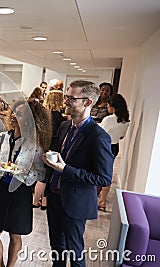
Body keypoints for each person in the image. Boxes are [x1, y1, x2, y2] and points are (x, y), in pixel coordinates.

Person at [42, 80, 114, 267]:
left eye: (71, 99)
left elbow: (103, 177)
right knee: (57, 248)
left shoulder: (98, 136)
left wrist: (65, 169)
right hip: (55, 196)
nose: (65, 102)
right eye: (66, 97)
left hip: (76, 201)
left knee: (74, 252)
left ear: (88, 102)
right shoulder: (65, 127)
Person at [0, 100, 51, 267]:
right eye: (13, 112)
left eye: (19, 114)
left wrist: (22, 172)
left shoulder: (35, 145)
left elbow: (41, 172)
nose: (13, 116)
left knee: (15, 235)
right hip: (1, 189)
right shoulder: (2, 138)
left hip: (21, 192)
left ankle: (10, 266)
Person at [33, 90, 66, 209]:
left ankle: (41, 200)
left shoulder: (46, 114)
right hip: (51, 149)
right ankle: (36, 200)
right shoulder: (57, 117)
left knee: (44, 175)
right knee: (45, 176)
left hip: (45, 146)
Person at [97, 94, 130, 211]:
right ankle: (101, 199)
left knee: (99, 172)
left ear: (113, 106)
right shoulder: (125, 120)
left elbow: (99, 134)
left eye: (108, 105)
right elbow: (121, 136)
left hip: (104, 147)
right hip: (115, 147)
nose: (107, 107)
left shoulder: (109, 119)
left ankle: (100, 200)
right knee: (107, 172)